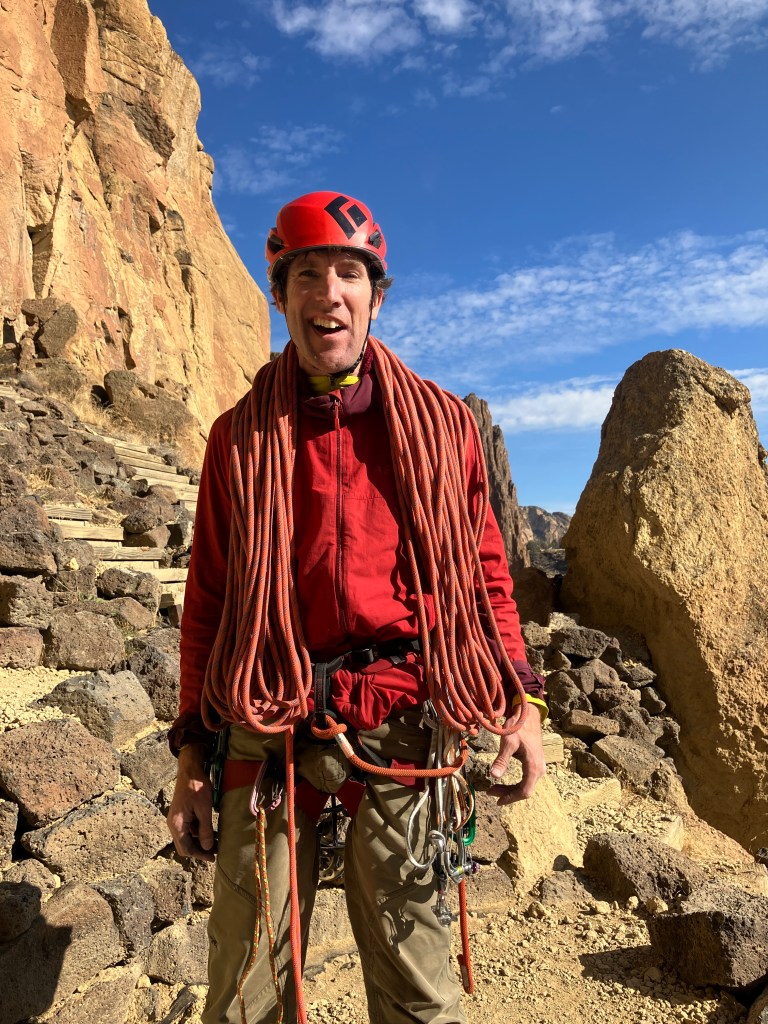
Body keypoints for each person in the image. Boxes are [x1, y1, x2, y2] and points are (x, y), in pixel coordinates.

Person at [167, 191, 547, 1024]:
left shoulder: (442, 427)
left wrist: (521, 700)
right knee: (244, 989)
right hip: (268, 720)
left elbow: (484, 575)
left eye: (349, 273)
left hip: (401, 717)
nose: (328, 293)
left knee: (420, 992)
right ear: (281, 296)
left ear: (376, 295)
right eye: (307, 274)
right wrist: (192, 756)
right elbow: (210, 601)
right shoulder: (238, 438)